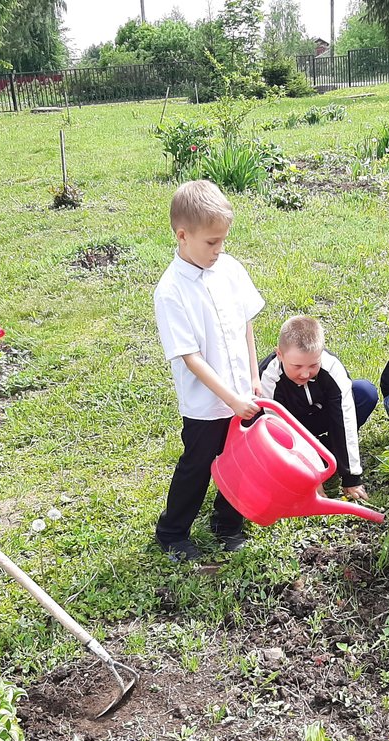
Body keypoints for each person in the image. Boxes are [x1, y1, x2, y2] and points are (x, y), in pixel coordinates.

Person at [153, 180, 264, 562]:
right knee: (197, 465)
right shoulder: (170, 291)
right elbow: (191, 358)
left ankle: (227, 523)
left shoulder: (229, 269)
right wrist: (230, 398)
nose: (219, 250)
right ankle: (172, 531)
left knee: (241, 460)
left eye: (222, 241)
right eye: (211, 243)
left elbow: (246, 323)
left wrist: (252, 378)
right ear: (183, 236)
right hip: (206, 403)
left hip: (242, 393)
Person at [258, 315, 378, 501]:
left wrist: (351, 477)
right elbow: (279, 432)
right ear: (280, 355)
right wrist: (310, 476)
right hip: (288, 425)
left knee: (364, 393)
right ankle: (310, 460)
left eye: (314, 365)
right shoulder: (269, 376)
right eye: (297, 366)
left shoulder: (332, 368)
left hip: (322, 417)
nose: (305, 373)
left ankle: (328, 451)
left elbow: (344, 418)